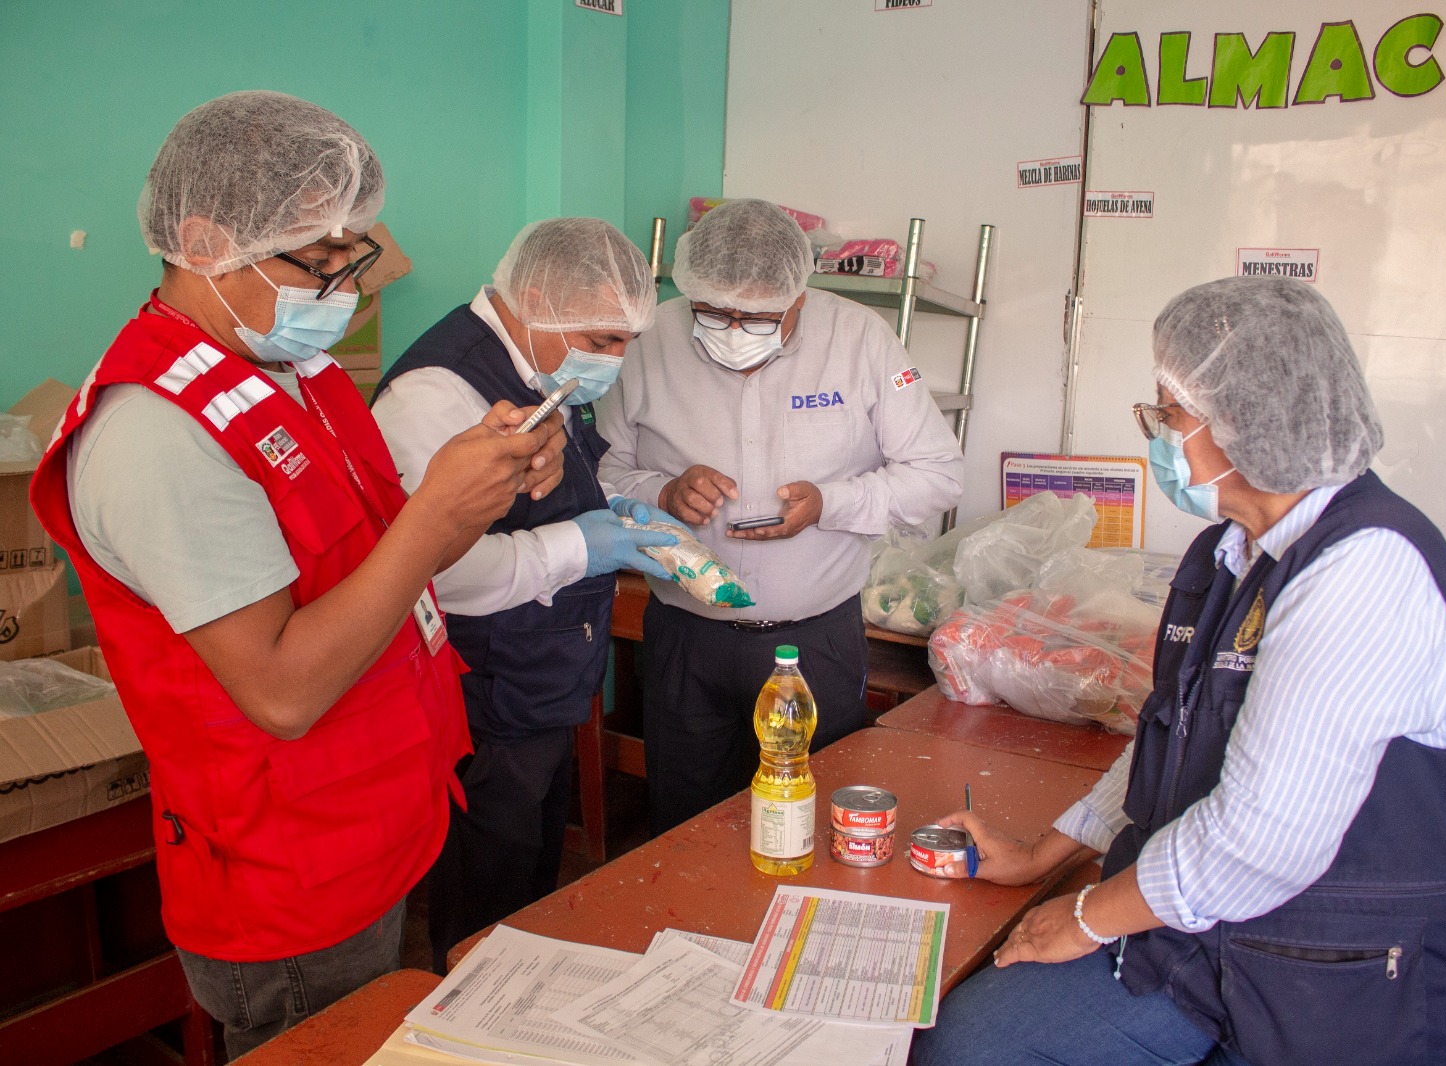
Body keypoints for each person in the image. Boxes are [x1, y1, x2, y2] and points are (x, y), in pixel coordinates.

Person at [30, 91, 566, 1057]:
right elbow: (279, 691)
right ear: (202, 240)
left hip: (377, 815)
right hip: (289, 874)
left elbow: (374, 558)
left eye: (353, 256)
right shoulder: (156, 434)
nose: (346, 290)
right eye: (316, 263)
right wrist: (437, 512)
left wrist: (489, 477)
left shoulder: (290, 369)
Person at [915, 277, 1446, 1066]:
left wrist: (1090, 914)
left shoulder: (1365, 571)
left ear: (1249, 426)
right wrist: (1045, 854)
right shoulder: (1230, 555)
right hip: (1211, 945)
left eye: (1169, 415)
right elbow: (1171, 735)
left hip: (1348, 980)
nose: (1159, 436)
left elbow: (1262, 842)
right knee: (972, 1044)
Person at [371, 217, 684, 972]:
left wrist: (603, 511)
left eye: (624, 342)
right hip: (485, 691)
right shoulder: (434, 393)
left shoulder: (542, 369)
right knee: (486, 902)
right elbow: (436, 572)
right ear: (534, 298)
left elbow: (544, 489)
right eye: (603, 338)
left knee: (530, 890)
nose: (614, 358)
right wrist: (585, 544)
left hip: (541, 687)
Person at [596, 198, 964, 833]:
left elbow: (938, 475)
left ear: (800, 294)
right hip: (687, 638)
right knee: (685, 827)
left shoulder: (860, 340)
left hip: (816, 641)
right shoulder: (648, 341)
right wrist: (662, 491)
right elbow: (598, 475)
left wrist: (832, 503)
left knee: (811, 826)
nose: (734, 330)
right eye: (713, 313)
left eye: (759, 317)